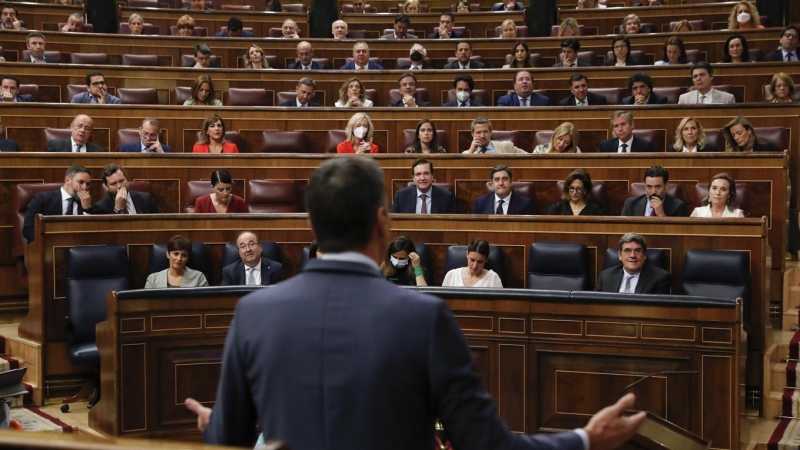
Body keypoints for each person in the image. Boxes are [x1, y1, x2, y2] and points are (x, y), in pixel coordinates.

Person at [183, 156, 645, 448]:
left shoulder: (254, 313)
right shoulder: (423, 317)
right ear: (383, 223)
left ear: (313, 228)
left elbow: (229, 438)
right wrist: (585, 438)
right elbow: (485, 443)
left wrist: (215, 424)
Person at [22, 164, 93, 243]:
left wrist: (87, 209)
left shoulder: (86, 202)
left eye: (88, 184)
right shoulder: (42, 199)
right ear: (68, 180)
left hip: (77, 248)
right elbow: (28, 229)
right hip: (48, 247)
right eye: (81, 182)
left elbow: (89, 232)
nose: (84, 187)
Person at [595, 232, 671, 294]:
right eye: (627, 251)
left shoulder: (660, 278)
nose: (632, 255)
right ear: (620, 255)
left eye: (637, 251)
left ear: (644, 255)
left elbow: (658, 310)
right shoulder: (605, 276)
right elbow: (596, 304)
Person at [390, 159, 456, 213]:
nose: (422, 178)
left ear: (432, 175)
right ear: (413, 177)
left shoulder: (446, 197)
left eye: (426, 173)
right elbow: (392, 221)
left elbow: (452, 225)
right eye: (418, 174)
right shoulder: (401, 196)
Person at [221, 231, 286, 286]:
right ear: (239, 252)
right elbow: (224, 298)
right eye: (243, 246)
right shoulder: (229, 272)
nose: (248, 249)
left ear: (260, 247)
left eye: (251, 244)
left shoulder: (276, 269)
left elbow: (281, 296)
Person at [90, 164, 160, 214]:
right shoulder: (100, 207)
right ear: (106, 186)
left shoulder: (145, 198)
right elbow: (109, 232)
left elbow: (158, 222)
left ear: (126, 179)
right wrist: (117, 209)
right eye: (113, 184)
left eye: (121, 181)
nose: (119, 186)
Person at [145, 235, 209, 288]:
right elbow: (147, 302)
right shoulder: (153, 279)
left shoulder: (199, 278)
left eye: (184, 255)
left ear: (187, 258)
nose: (179, 259)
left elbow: (205, 302)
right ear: (168, 254)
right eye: (176, 254)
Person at [621, 166, 686, 217]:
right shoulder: (630, 204)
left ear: (666, 185)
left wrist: (662, 215)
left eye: (658, 187)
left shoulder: (678, 206)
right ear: (645, 185)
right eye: (649, 187)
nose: (653, 192)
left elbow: (677, 232)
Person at [462, 116, 527, 154]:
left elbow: (528, 157)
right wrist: (471, 151)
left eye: (485, 132)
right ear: (473, 134)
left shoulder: (506, 146)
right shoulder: (467, 153)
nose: (482, 136)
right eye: (478, 132)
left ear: (490, 132)